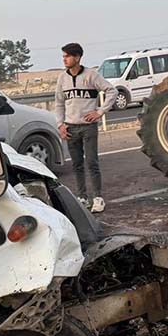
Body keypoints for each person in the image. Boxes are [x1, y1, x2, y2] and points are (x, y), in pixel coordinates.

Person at [54, 42, 117, 213]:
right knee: (77, 164)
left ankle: (98, 197)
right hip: (71, 127)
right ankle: (82, 196)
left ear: (78, 57)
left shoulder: (91, 75)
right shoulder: (62, 78)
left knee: (91, 162)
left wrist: (100, 111)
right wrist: (60, 124)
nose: (64, 59)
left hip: (88, 127)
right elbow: (59, 103)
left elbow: (112, 91)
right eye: (63, 56)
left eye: (67, 56)